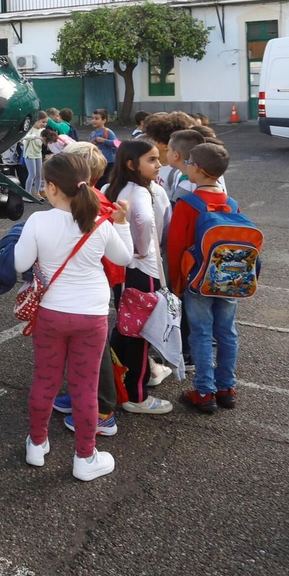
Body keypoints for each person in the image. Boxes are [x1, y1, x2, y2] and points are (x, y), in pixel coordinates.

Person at [18, 152, 132, 482]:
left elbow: (18, 263)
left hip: (52, 313)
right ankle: (85, 457)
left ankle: (37, 445)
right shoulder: (100, 222)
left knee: (44, 380)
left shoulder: (38, 222)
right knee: (85, 387)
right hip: (91, 314)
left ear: (52, 187)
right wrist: (122, 224)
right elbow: (123, 258)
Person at [166, 142, 237, 416]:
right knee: (227, 333)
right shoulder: (231, 202)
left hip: (197, 280)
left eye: (189, 164)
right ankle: (226, 389)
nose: (187, 168)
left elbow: (176, 245)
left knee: (202, 333)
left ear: (198, 169)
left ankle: (204, 392)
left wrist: (175, 282)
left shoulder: (188, 204)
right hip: (229, 278)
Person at [103, 139, 172, 415]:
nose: (158, 165)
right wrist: (140, 249)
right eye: (152, 160)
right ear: (132, 164)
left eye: (158, 159)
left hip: (120, 270)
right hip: (143, 272)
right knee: (140, 332)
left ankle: (126, 379)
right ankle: (136, 394)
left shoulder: (110, 187)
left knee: (125, 327)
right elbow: (144, 220)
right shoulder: (142, 191)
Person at [22, 118, 45, 197]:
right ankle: (27, 193)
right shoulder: (30, 129)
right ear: (36, 120)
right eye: (43, 121)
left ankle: (37, 193)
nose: (44, 124)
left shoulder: (42, 130)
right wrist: (36, 137)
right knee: (32, 174)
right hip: (29, 154)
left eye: (45, 122)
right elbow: (24, 137)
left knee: (39, 175)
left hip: (38, 154)